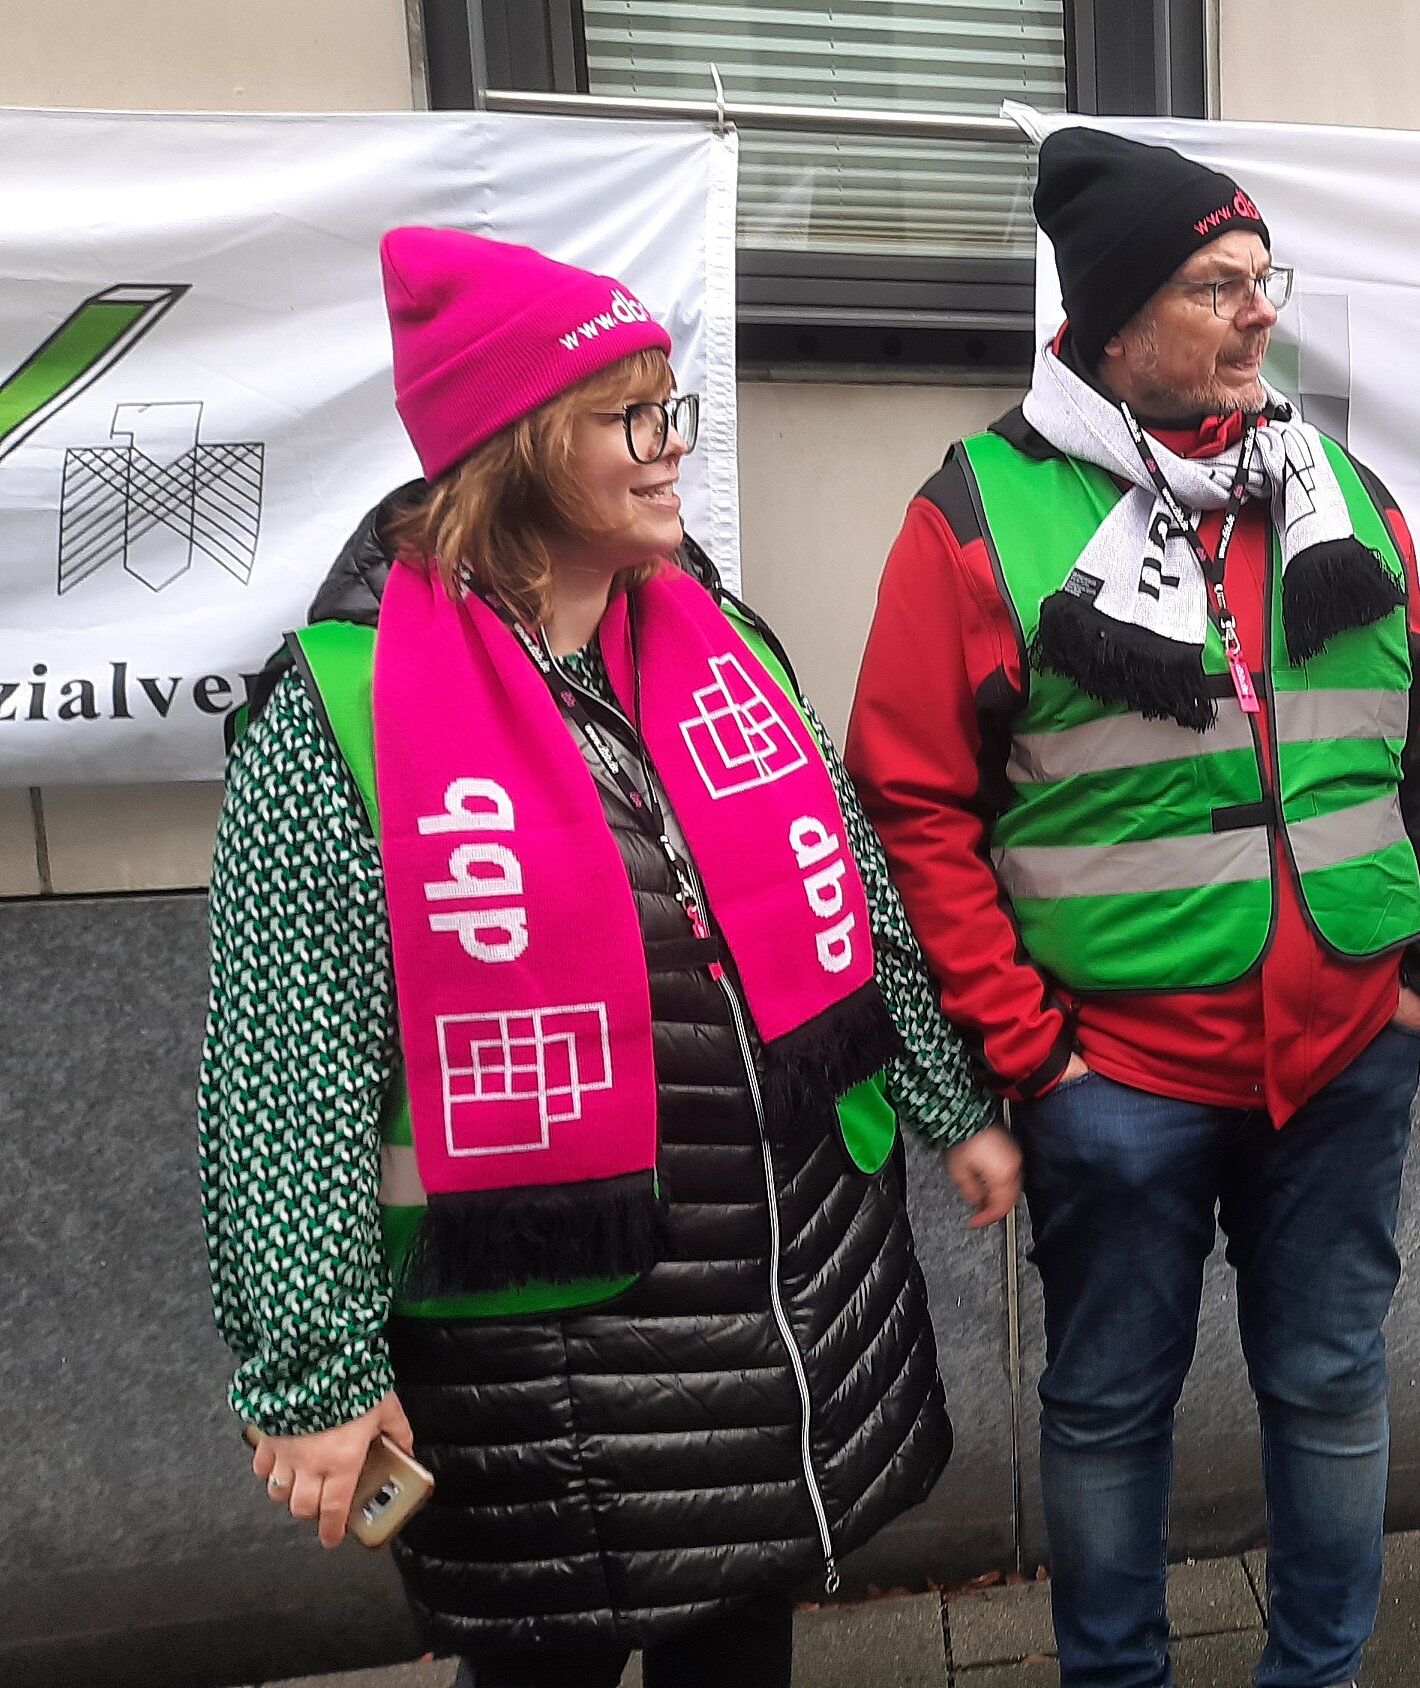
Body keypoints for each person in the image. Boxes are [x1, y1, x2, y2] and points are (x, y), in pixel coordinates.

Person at [198, 228, 1018, 1688]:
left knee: (739, 1650)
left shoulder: (716, 641)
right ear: (514, 449)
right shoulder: (341, 712)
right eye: (626, 417)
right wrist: (315, 1371)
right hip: (539, 1376)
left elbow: (859, 895)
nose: (670, 453)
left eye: (670, 411)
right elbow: (285, 1078)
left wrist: (950, 1105)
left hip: (780, 1313)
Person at [844, 126, 1420, 1688]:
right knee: (1110, 1403)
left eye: (1265, 279)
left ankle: (1313, 1677)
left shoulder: (1335, 490)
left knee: (1331, 1384)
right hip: (1113, 1075)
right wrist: (1032, 1052)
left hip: (1344, 1048)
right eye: (1217, 286)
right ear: (1116, 322)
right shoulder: (977, 516)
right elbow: (913, 802)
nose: (1260, 314)